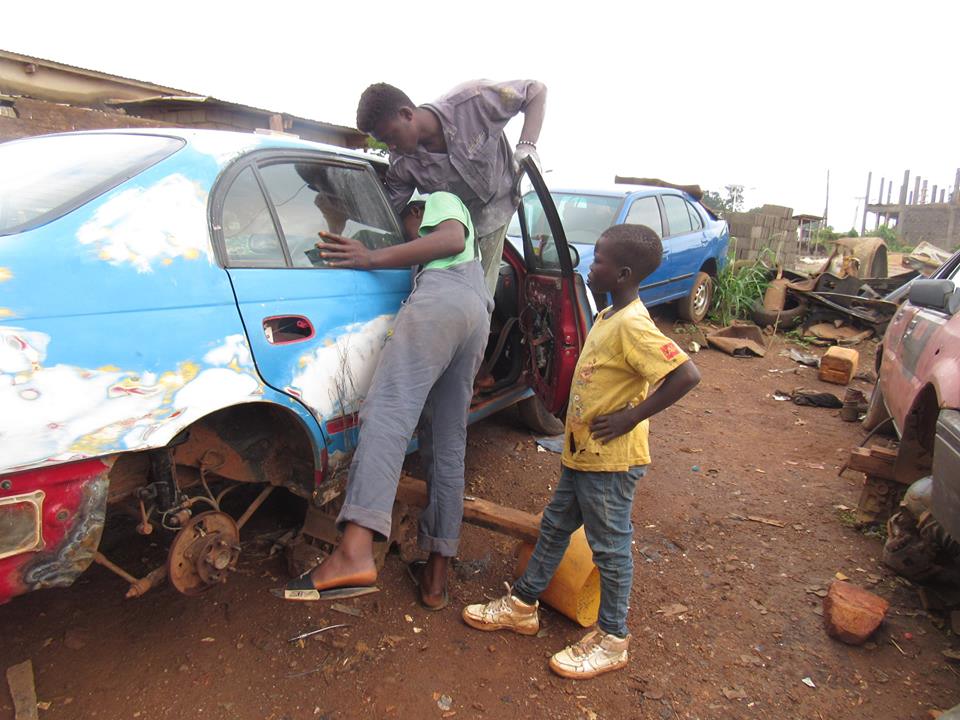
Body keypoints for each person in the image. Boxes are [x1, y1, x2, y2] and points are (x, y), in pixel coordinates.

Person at [460, 224, 702, 679]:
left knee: (609, 549)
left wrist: (631, 417)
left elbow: (686, 375)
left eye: (600, 261)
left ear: (623, 272)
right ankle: (523, 604)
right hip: (584, 454)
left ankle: (613, 639)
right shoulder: (611, 315)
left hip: (610, 461)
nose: (591, 265)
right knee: (554, 528)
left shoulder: (634, 325)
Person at [278, 191, 492, 609]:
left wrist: (371, 258)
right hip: (475, 311)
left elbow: (448, 239)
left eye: (403, 226)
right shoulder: (467, 264)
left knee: (389, 414)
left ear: (417, 211)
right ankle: (435, 579)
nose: (403, 238)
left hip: (442, 301)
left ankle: (354, 553)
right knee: (447, 443)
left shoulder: (439, 199)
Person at [355, 79, 547, 297]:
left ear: (407, 114)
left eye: (391, 136)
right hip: (452, 230)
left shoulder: (473, 101)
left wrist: (526, 146)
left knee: (478, 298)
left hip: (496, 210)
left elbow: (535, 91)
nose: (390, 146)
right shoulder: (402, 164)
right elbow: (386, 212)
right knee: (451, 299)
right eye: (383, 141)